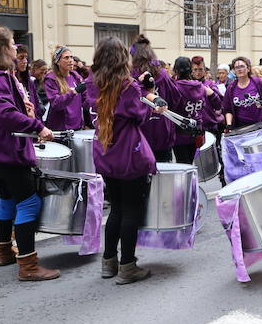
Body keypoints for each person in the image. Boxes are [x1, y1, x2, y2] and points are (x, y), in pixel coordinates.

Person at [0, 24, 59, 280]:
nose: (14, 48)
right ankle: (29, 266)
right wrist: (37, 126)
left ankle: (3, 251)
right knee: (28, 202)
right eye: (11, 44)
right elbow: (6, 114)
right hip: (9, 149)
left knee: (8, 200)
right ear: (1, 50)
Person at [89, 37, 167, 284]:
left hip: (105, 151)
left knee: (116, 209)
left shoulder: (93, 83)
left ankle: (108, 262)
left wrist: (140, 87)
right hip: (128, 154)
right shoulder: (127, 86)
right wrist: (150, 94)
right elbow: (139, 115)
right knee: (131, 210)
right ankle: (128, 266)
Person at [130, 35, 180, 162]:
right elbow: (175, 98)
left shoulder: (130, 76)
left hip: (140, 131)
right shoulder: (162, 74)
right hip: (162, 129)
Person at [172, 56, 214, 163]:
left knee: (183, 166)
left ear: (175, 71)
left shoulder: (175, 88)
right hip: (197, 131)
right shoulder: (201, 87)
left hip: (180, 134)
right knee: (192, 163)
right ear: (191, 70)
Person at [222, 56, 262, 130]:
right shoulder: (231, 88)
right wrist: (229, 125)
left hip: (261, 125)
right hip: (240, 128)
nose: (239, 69)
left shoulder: (259, 83)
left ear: (248, 68)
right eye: (236, 67)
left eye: (242, 66)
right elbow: (228, 109)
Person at [44, 46, 86, 130]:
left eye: (71, 57)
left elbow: (86, 101)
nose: (71, 60)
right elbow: (56, 104)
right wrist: (73, 92)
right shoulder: (51, 79)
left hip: (77, 128)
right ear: (58, 62)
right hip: (60, 130)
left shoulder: (76, 76)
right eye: (66, 57)